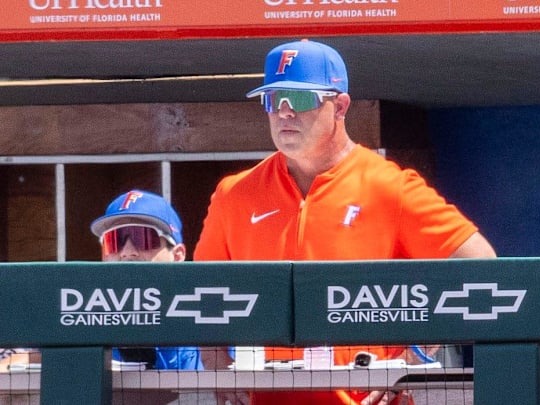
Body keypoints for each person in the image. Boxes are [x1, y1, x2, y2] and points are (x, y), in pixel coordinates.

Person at [194, 39, 496, 405]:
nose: (285, 112)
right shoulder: (235, 193)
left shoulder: (389, 186)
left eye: (301, 99)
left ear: (340, 106)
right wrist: (215, 362)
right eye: (273, 100)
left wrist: (413, 357)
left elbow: (480, 266)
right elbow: (197, 295)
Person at [90, 189, 204, 372]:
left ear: (177, 255)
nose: (127, 252)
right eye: (114, 241)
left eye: (142, 237)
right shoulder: (81, 317)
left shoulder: (209, 320)